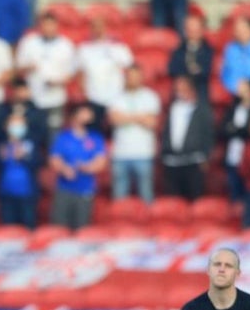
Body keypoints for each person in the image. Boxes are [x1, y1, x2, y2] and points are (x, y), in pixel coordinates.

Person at [16, 11, 77, 145]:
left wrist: (58, 82)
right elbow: (18, 69)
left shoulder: (66, 45)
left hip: (55, 100)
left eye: (51, 25)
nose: (48, 28)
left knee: (54, 136)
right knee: (30, 136)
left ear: (56, 26)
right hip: (33, 99)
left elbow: (71, 73)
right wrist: (28, 68)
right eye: (45, 25)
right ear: (40, 26)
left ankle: (53, 163)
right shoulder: (29, 43)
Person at [108, 64, 161, 203]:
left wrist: (126, 117)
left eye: (136, 76)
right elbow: (114, 120)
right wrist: (140, 117)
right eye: (130, 77)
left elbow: (151, 122)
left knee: (146, 194)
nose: (133, 79)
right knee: (120, 195)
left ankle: (148, 223)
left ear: (141, 78)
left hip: (143, 153)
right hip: (120, 153)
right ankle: (119, 223)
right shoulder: (117, 97)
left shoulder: (150, 97)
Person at [49, 103, 107, 230]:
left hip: (85, 190)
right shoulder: (63, 137)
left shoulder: (95, 138)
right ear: (74, 117)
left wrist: (87, 167)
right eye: (84, 113)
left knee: (82, 228)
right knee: (59, 227)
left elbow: (101, 162)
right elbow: (54, 159)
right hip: (64, 189)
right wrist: (65, 169)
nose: (88, 117)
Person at [76, 16, 134, 134]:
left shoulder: (118, 48)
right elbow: (80, 74)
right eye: (94, 27)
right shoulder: (84, 49)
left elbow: (130, 69)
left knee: (117, 134)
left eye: (100, 26)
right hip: (93, 99)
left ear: (106, 28)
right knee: (93, 135)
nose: (98, 30)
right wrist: (85, 96)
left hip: (115, 98)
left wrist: (125, 93)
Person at [161, 76, 214, 202]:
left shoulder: (202, 110)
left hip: (193, 162)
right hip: (172, 163)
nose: (180, 93)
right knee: (173, 203)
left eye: (183, 89)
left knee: (194, 201)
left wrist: (205, 156)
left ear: (191, 89)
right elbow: (166, 133)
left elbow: (208, 134)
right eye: (177, 90)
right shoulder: (173, 109)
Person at [220, 81, 250, 202]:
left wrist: (235, 129)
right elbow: (223, 130)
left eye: (244, 90)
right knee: (234, 194)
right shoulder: (233, 109)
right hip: (233, 157)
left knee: (249, 196)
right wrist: (239, 130)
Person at [0, 111, 40, 228]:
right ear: (6, 126)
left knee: (28, 229)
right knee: (8, 230)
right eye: (14, 124)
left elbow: (38, 163)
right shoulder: (1, 145)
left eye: (20, 124)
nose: (17, 127)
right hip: (6, 194)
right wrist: (0, 157)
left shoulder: (31, 144)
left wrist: (24, 157)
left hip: (27, 194)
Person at [167, 14, 214, 100]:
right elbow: (172, 68)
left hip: (199, 92)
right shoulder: (179, 49)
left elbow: (205, 71)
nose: (192, 34)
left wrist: (189, 79)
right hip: (180, 90)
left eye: (195, 31)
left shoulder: (207, 50)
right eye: (189, 30)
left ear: (202, 31)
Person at [0, 77, 47, 148]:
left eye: (24, 90)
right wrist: (6, 126)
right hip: (6, 146)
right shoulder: (3, 110)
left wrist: (24, 143)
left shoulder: (37, 113)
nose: (21, 94)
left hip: (29, 147)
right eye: (18, 91)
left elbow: (41, 135)